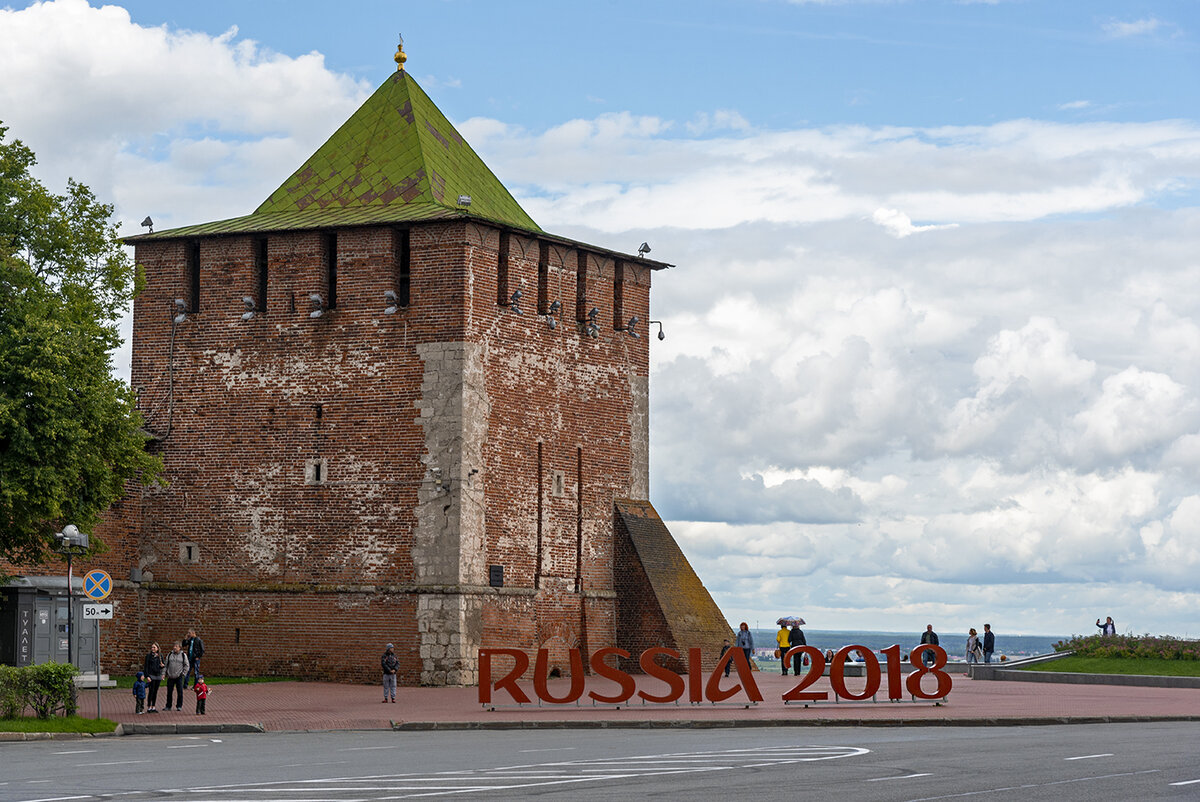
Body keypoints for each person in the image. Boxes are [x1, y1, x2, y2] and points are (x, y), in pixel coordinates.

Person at [164, 641, 190, 711]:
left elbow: (187, 665)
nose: (174, 648)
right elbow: (166, 665)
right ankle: (168, 705)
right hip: (170, 676)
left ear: (179, 647)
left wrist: (183, 674)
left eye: (176, 646)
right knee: (169, 692)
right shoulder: (169, 654)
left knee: (180, 692)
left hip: (179, 676)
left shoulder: (183, 655)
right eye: (174, 646)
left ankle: (179, 705)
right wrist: (164, 673)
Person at [142, 643, 164, 713]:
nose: (153, 649)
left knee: (155, 691)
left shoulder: (160, 656)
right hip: (151, 675)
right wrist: (147, 676)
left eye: (154, 647)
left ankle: (153, 706)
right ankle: (149, 706)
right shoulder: (148, 656)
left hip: (158, 675)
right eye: (152, 647)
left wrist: (162, 666)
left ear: (157, 648)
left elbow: (162, 665)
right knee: (151, 691)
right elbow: (146, 667)